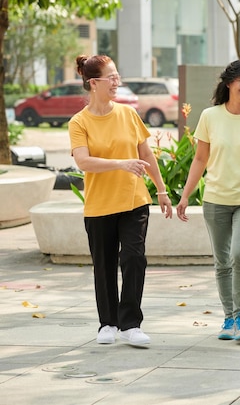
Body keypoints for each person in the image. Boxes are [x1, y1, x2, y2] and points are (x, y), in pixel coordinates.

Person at [69, 54, 173, 346]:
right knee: (103, 265)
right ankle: (108, 324)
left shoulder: (128, 114)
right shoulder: (79, 122)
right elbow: (84, 162)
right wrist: (120, 164)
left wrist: (161, 190)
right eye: (111, 78)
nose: (117, 82)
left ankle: (130, 324)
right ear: (93, 83)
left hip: (133, 201)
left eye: (117, 76)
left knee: (134, 258)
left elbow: (146, 154)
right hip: (99, 205)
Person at [176, 60, 240, 342]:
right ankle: (229, 316)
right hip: (216, 199)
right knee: (222, 262)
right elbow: (200, 159)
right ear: (229, 82)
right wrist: (185, 195)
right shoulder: (210, 116)